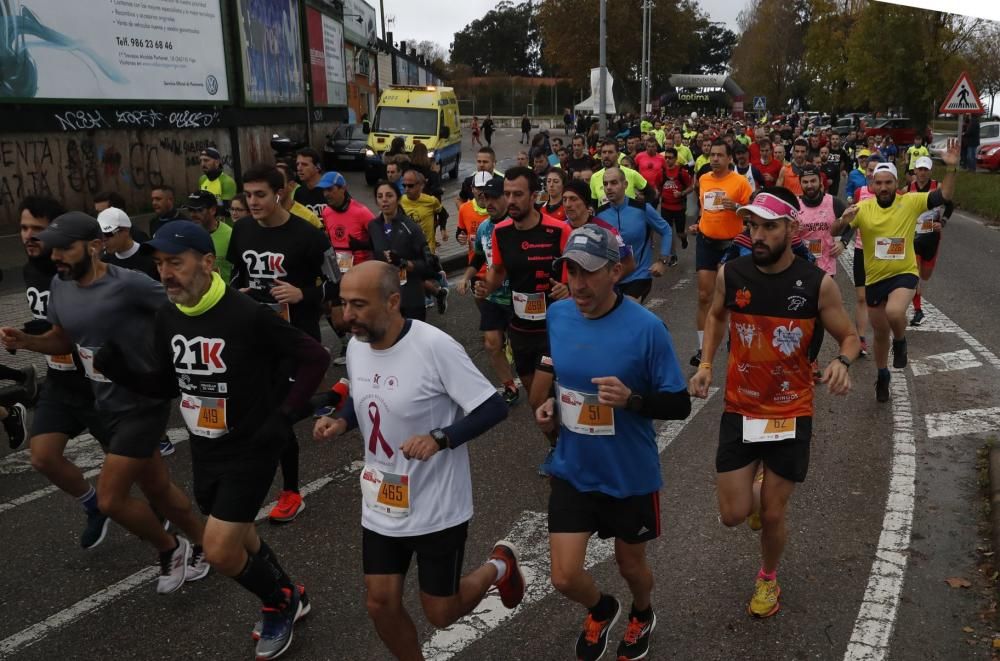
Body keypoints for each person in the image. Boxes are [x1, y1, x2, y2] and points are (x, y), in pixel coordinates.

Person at [95, 221, 328, 660]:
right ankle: (289, 590)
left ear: (206, 263)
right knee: (241, 537)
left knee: (220, 550)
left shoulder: (246, 314)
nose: (165, 273)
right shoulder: (168, 316)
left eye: (175, 263)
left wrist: (284, 417)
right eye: (160, 263)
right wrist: (121, 372)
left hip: (253, 444)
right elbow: (167, 383)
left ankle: (279, 602)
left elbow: (315, 356)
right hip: (205, 445)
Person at [313, 261, 523, 660]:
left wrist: (440, 438)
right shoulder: (358, 347)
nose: (347, 316)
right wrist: (340, 422)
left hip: (436, 504)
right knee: (380, 602)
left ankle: (500, 567)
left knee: (441, 613)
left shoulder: (434, 347)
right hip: (381, 499)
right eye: (343, 304)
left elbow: (492, 407)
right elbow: (366, 402)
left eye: (359, 305)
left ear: (393, 301)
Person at [0, 212, 208, 591]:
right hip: (105, 401)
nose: (57, 255)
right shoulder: (60, 286)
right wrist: (27, 342)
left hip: (142, 400)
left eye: (66, 248)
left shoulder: (129, 285)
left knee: (111, 500)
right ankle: (207, 543)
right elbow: (64, 339)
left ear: (95, 247)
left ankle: (170, 547)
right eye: (54, 248)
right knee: (158, 488)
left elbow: (181, 307)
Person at [689, 188, 860, 619]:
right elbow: (714, 315)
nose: (758, 235)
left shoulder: (815, 284)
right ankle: (759, 489)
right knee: (733, 514)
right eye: (753, 226)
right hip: (741, 406)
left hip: (791, 410)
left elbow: (851, 336)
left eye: (769, 226)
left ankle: (768, 578)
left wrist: (842, 361)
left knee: (771, 513)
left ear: (792, 228)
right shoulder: (734, 273)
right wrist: (707, 363)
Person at [532, 224, 691, 661]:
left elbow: (678, 404)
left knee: (630, 565)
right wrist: (551, 403)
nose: (578, 284)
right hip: (573, 466)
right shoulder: (558, 314)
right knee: (564, 577)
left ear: (616, 271)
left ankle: (642, 611)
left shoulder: (647, 328)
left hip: (628, 472)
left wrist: (632, 399)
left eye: (589, 273)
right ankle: (602, 608)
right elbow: (567, 377)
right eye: (571, 271)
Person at [227, 164, 337, 521]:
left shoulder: (308, 235)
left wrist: (302, 292)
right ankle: (330, 397)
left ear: (280, 194)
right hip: (255, 336)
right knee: (260, 409)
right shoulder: (241, 230)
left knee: (278, 417)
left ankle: (291, 492)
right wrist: (237, 293)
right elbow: (239, 274)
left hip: (296, 338)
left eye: (261, 194)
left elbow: (336, 284)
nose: (253, 201)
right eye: (248, 195)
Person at [831, 141, 959, 402]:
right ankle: (883, 374)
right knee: (878, 334)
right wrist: (843, 220)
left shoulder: (910, 202)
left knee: (895, 311)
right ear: (872, 186)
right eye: (879, 183)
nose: (884, 187)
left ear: (896, 183)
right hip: (875, 278)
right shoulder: (863, 208)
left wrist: (952, 168)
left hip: (904, 273)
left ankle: (900, 340)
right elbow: (834, 231)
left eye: (888, 182)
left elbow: (943, 195)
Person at [18, 196, 112, 548]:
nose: (28, 236)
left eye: (37, 230)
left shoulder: (77, 271)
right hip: (60, 381)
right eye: (24, 227)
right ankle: (94, 506)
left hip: (99, 384)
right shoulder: (31, 269)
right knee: (42, 456)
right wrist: (27, 338)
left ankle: (171, 532)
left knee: (139, 472)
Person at [479, 167, 570, 474]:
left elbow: (575, 275)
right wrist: (487, 284)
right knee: (538, 399)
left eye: (518, 194)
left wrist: (567, 288)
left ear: (535, 196)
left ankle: (564, 450)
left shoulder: (558, 230)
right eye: (507, 194)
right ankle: (559, 445)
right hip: (519, 327)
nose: (511, 200)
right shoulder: (500, 231)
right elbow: (500, 271)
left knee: (536, 397)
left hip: (554, 327)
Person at [689, 140, 754, 366]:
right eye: (712, 155)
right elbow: (704, 207)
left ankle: (732, 339)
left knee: (730, 296)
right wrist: (699, 222)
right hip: (706, 242)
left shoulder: (740, 182)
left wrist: (735, 207)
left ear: (729, 159)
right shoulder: (704, 178)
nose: (715, 159)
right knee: (704, 296)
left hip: (731, 244)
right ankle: (701, 347)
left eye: (719, 155)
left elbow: (752, 214)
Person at [457, 176, 520, 405]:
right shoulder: (484, 228)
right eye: (486, 198)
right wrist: (466, 278)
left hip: (517, 297)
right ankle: (509, 385)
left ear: (507, 198)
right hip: (493, 296)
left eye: (495, 197)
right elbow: (478, 258)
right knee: (491, 343)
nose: (490, 202)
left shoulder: (517, 224)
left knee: (524, 349)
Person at [318, 170, 374, 365]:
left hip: (359, 271)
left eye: (330, 190)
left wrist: (362, 246)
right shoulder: (326, 212)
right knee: (335, 316)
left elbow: (379, 239)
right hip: (337, 269)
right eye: (323, 191)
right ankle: (350, 342)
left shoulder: (361, 212)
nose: (326, 194)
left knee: (355, 314)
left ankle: (367, 345)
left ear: (343, 188)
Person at [596, 167, 671, 302]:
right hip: (611, 280)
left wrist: (662, 261)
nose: (609, 187)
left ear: (625, 185)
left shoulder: (642, 208)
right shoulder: (599, 214)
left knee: (626, 311)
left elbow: (666, 230)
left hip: (638, 276)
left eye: (614, 183)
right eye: (605, 184)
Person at [368, 180, 434, 321]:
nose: (384, 200)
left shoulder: (411, 227)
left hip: (411, 297)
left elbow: (427, 265)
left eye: (389, 196)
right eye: (380, 196)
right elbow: (376, 254)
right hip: (387, 298)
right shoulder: (373, 226)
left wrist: (403, 262)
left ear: (398, 199)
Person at [907, 156, 953, 327]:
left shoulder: (938, 187)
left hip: (932, 238)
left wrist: (942, 222)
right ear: (915, 171)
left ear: (930, 171)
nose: (922, 173)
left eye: (926, 170)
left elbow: (950, 205)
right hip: (914, 237)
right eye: (920, 169)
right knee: (915, 275)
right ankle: (918, 311)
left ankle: (917, 307)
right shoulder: (908, 189)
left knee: (925, 275)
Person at [399, 169, 450, 314]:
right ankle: (438, 287)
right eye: (404, 185)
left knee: (413, 279)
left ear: (421, 185)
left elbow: (443, 214)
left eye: (410, 186)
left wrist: (443, 229)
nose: (406, 189)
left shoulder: (430, 201)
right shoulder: (400, 202)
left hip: (426, 249)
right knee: (409, 280)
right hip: (408, 250)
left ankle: (436, 287)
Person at [183, 190, 234, 283]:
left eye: (198, 210)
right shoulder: (185, 235)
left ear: (213, 210)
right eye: (190, 210)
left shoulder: (230, 235)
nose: (193, 215)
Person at [98, 207, 159, 280]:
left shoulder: (151, 258)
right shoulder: (104, 262)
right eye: (100, 234)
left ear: (125, 230)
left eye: (108, 234)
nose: (103, 239)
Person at [590, 140, 654, 207]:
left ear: (618, 155)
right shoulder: (595, 177)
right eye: (604, 152)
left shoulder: (631, 173)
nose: (606, 155)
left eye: (610, 152)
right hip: (605, 217)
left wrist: (640, 209)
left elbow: (651, 193)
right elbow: (594, 204)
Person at [660, 147, 694, 265]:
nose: (668, 160)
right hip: (665, 207)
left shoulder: (681, 173)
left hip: (679, 207)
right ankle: (673, 255)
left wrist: (681, 193)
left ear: (675, 159)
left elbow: (691, 187)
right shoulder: (662, 172)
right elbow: (657, 187)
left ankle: (684, 239)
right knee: (668, 232)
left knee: (679, 233)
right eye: (666, 158)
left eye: (670, 158)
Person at [293, 148, 329, 217]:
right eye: (297, 164)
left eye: (304, 164)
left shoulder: (331, 188)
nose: (299, 168)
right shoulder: (299, 192)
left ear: (317, 167)